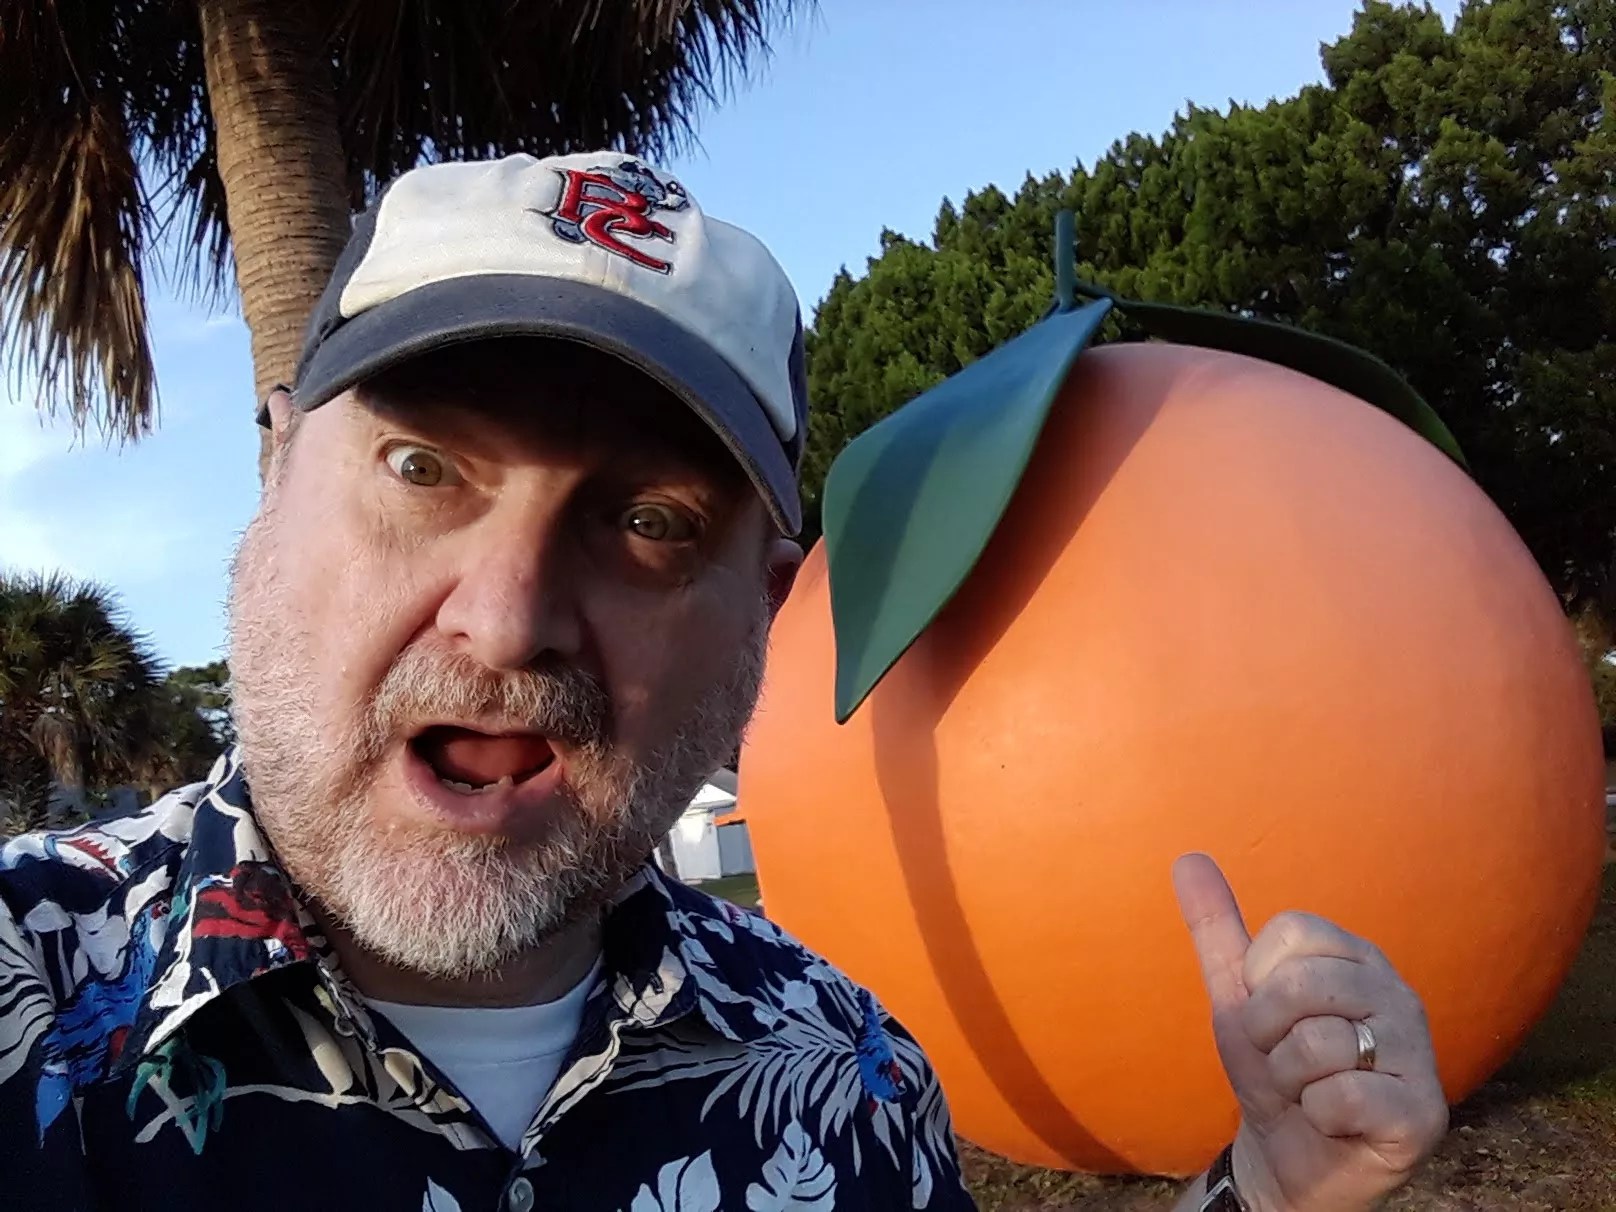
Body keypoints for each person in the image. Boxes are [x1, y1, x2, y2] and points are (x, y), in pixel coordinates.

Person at [0, 151, 1448, 1211]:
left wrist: (1267, 1188)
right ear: (274, 469)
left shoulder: (844, 1066)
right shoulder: (28, 1003)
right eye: (423, 469)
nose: (507, 622)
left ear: (767, 606)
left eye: (648, 523)